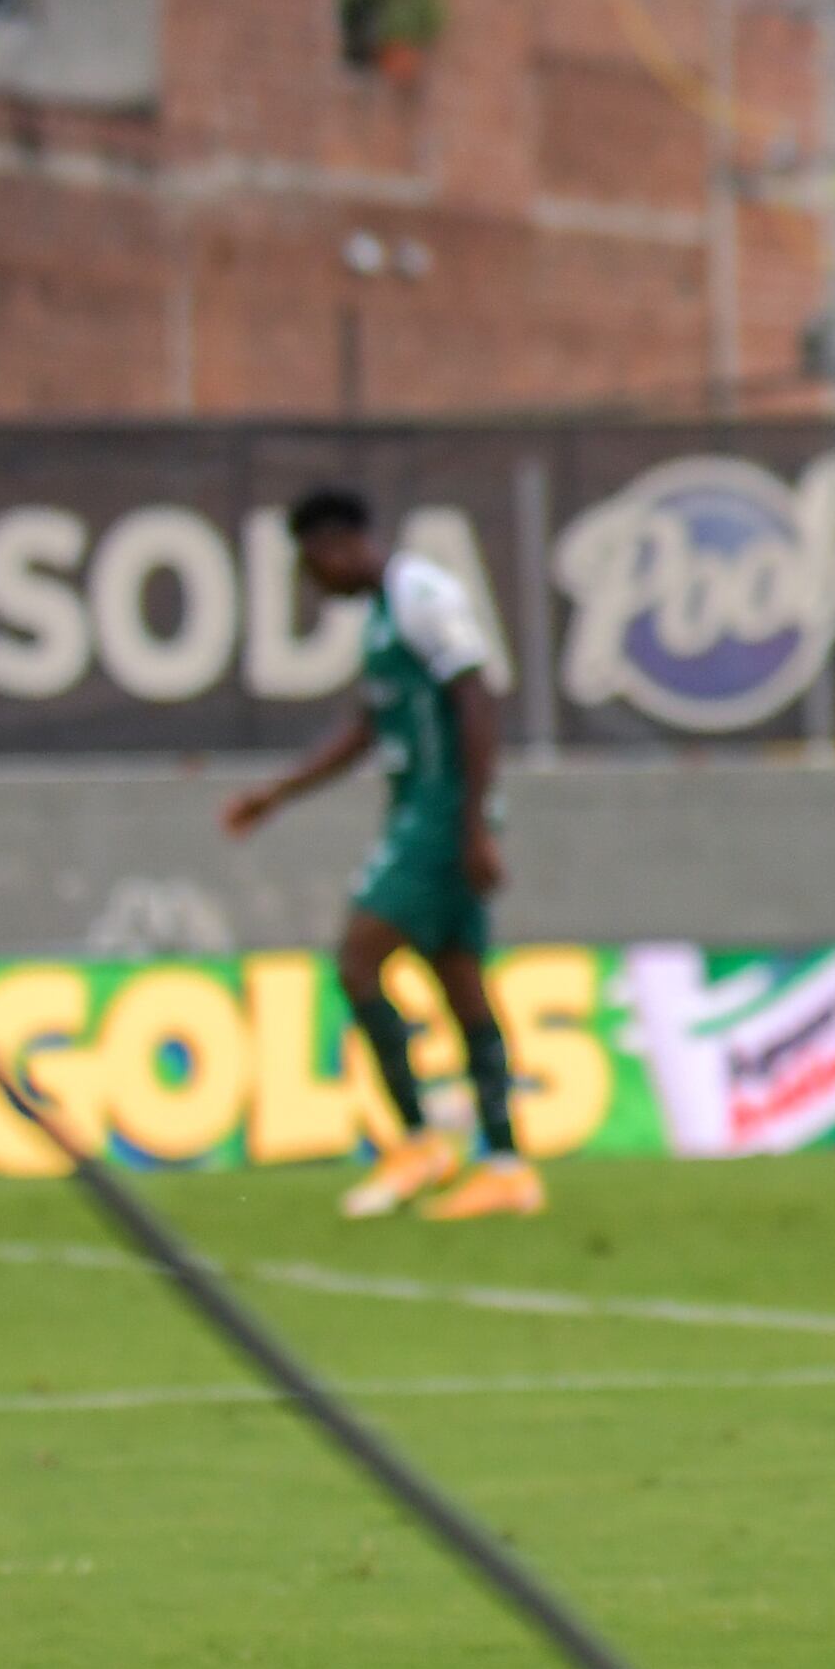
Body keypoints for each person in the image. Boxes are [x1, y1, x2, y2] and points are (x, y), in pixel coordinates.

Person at [218, 489, 535, 1222]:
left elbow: (478, 697)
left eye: (310, 566)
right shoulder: (383, 618)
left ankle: (420, 1141)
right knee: (459, 979)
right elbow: (367, 726)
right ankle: (506, 1163)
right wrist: (277, 794)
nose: (312, 584)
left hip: (438, 819)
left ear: (337, 545)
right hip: (431, 816)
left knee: (358, 961)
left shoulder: (423, 596)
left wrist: (473, 824)